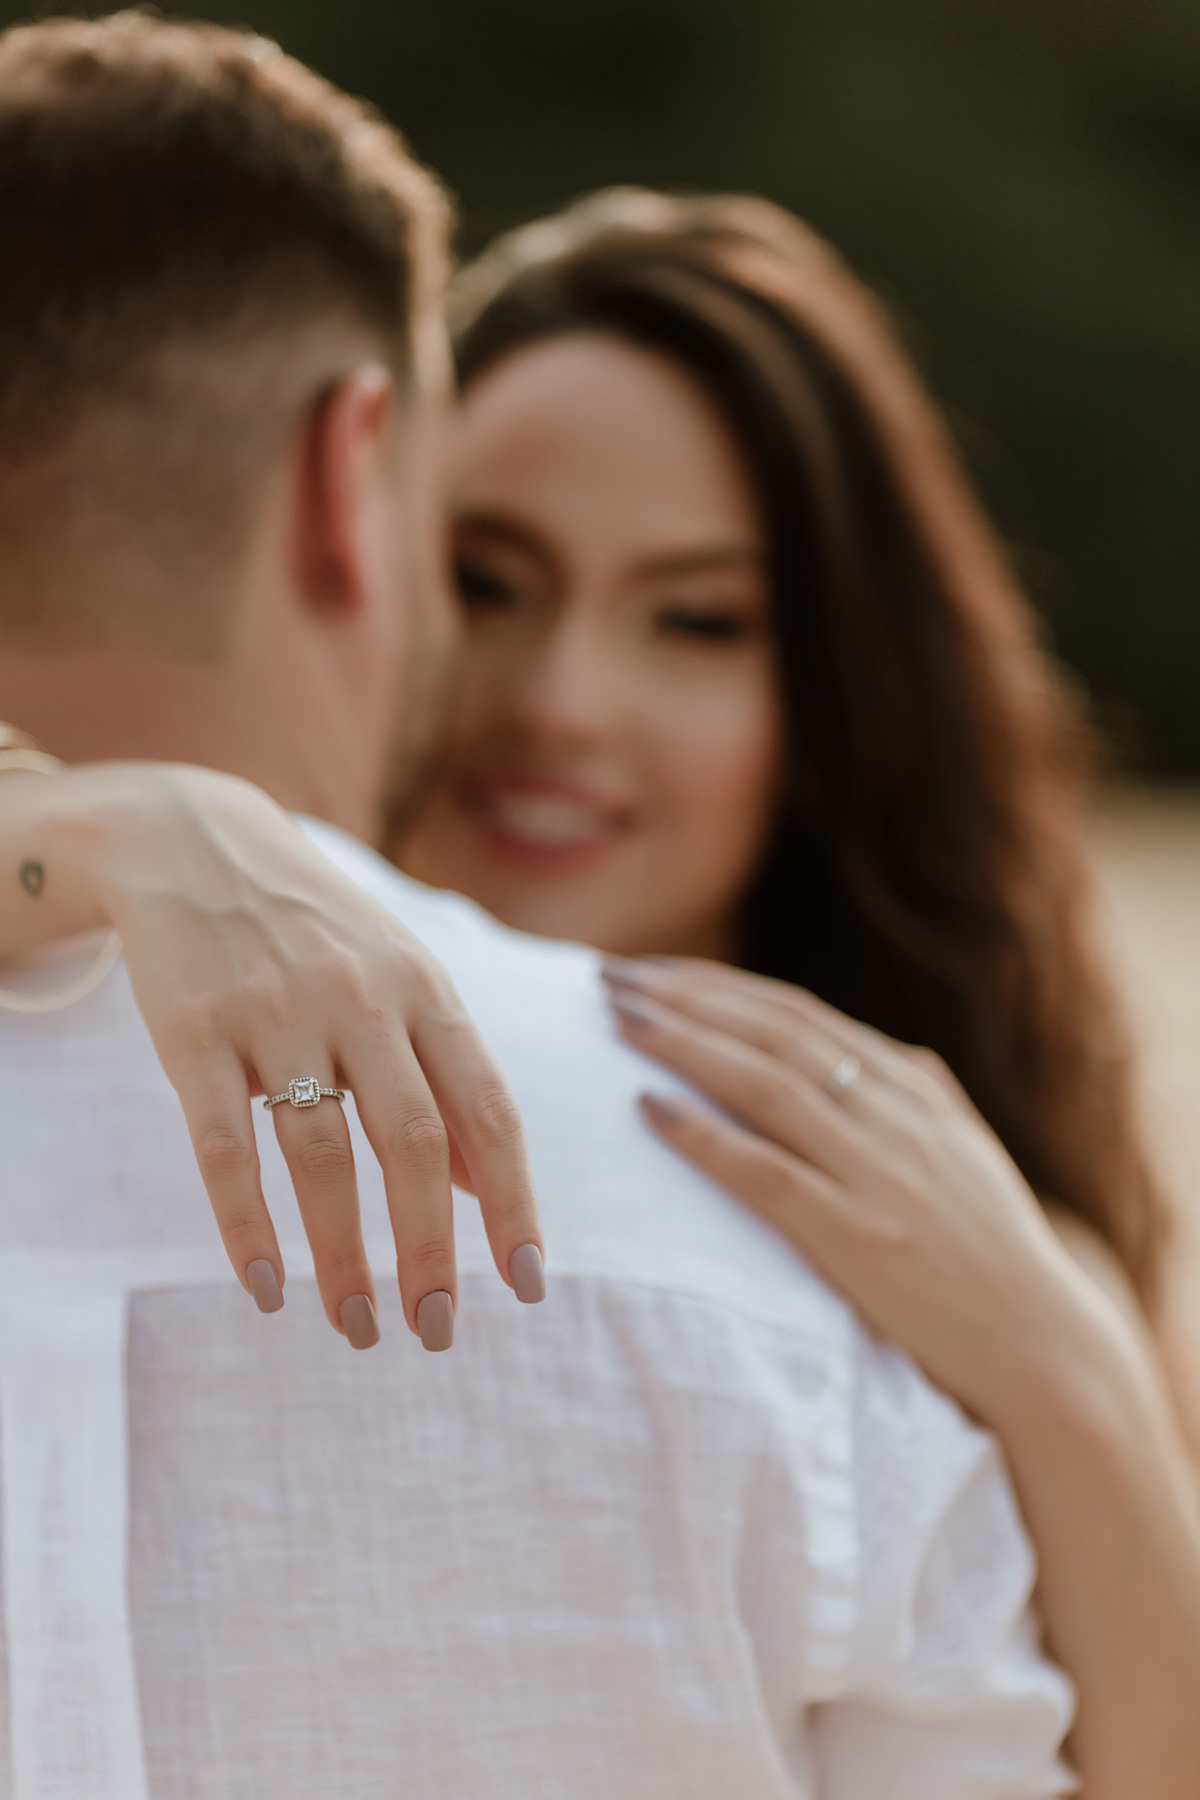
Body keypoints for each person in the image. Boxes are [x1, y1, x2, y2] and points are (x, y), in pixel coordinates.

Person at [0, 15, 1076, 1800]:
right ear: (363, 482)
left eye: (700, 618)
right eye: (484, 572)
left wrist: (1075, 1377)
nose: (558, 706)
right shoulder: (813, 1343)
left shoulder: (947, 1267)